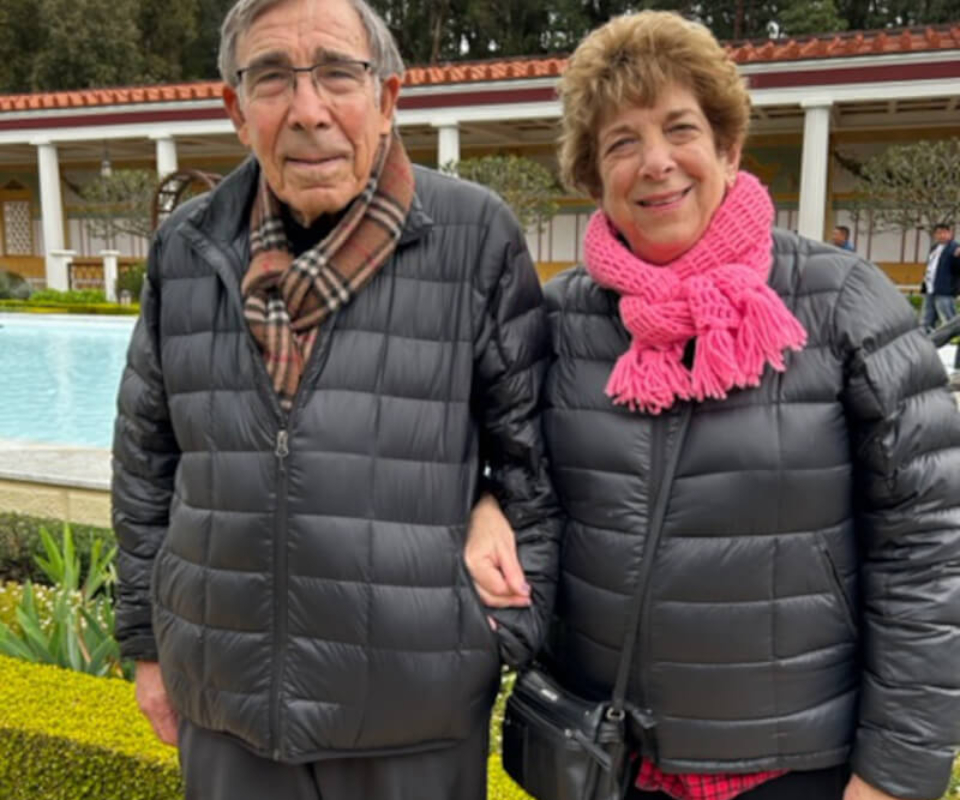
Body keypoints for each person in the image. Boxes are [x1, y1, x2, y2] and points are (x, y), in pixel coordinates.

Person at [466, 11, 960, 800]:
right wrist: (481, 501)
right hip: (609, 761)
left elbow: (929, 552)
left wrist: (895, 775)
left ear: (728, 146)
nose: (656, 162)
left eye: (679, 129)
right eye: (622, 142)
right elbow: (487, 456)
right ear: (595, 176)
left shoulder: (840, 304)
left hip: (796, 768)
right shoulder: (555, 321)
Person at [111, 1, 560, 798]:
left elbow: (533, 457)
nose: (308, 110)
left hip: (413, 717)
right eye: (273, 77)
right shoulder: (187, 246)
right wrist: (150, 646)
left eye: (337, 74)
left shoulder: (474, 235)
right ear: (235, 107)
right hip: (228, 708)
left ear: (387, 97)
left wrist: (497, 638)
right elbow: (147, 461)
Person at [920, 222, 960, 333]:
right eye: (938, 233)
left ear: (950, 233)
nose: (941, 235)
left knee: (949, 317)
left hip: (945, 289)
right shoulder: (934, 248)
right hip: (930, 287)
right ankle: (926, 338)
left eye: (944, 233)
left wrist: (958, 258)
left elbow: (957, 269)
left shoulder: (954, 248)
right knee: (927, 317)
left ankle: (955, 337)